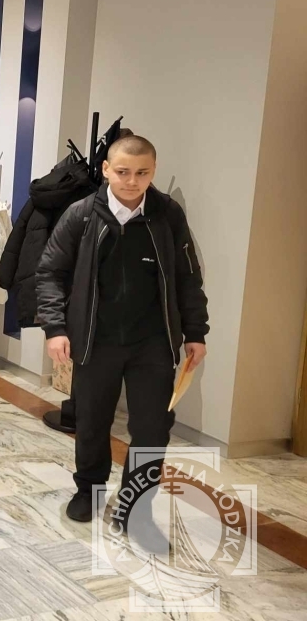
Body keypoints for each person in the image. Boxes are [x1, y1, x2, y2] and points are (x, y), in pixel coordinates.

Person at [36, 134, 209, 537]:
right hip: (96, 339)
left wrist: (195, 331)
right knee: (92, 421)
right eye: (123, 172)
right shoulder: (81, 214)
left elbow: (188, 276)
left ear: (153, 171)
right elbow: (50, 273)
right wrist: (55, 328)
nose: (132, 181)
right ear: (106, 170)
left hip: (153, 342)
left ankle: (136, 505)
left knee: (152, 428)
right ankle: (89, 490)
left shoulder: (168, 215)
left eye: (142, 173)